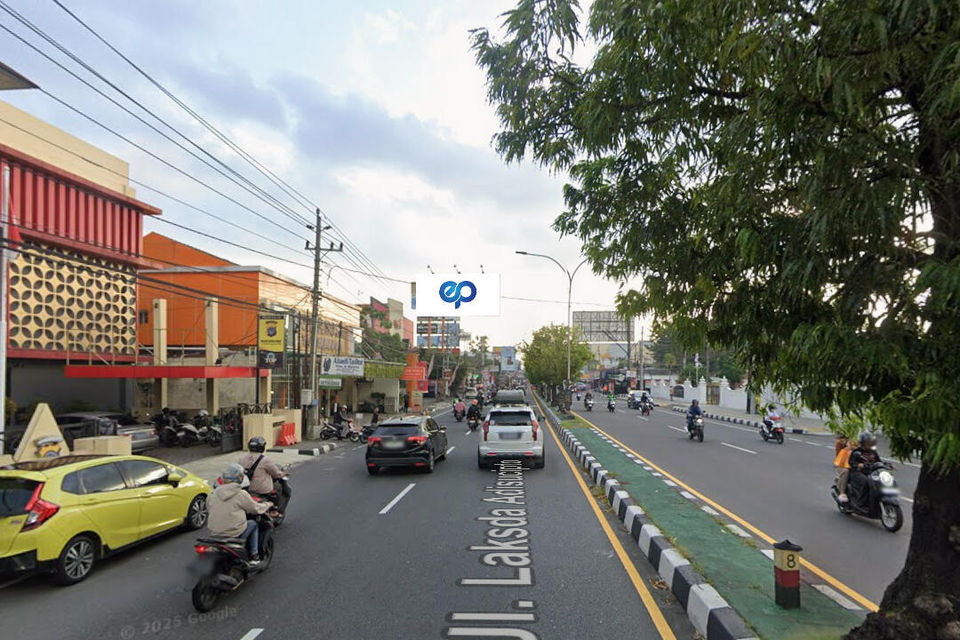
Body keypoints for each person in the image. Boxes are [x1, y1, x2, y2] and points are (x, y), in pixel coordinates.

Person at [207, 463, 271, 565]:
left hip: (214, 534)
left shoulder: (212, 494)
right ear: (240, 478)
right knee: (253, 524)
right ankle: (254, 556)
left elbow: (210, 509)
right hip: (233, 534)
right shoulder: (241, 494)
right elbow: (256, 509)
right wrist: (268, 504)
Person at [848, 432, 882, 511]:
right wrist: (858, 465)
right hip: (857, 473)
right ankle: (861, 503)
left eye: (870, 441)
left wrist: (888, 465)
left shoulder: (873, 452)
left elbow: (879, 461)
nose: (869, 443)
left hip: (870, 472)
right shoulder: (856, 452)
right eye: (867, 442)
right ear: (862, 442)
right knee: (867, 482)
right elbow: (851, 462)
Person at [833, 436, 856, 503]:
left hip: (855, 468)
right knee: (846, 471)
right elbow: (840, 463)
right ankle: (842, 492)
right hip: (843, 467)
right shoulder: (845, 451)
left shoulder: (863, 452)